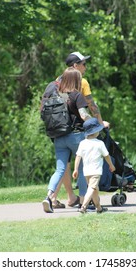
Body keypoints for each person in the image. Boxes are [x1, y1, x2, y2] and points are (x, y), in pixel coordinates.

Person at [51, 51, 110, 209]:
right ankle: (84, 198)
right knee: (84, 162)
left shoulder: (58, 82)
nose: (86, 67)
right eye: (84, 64)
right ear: (75, 66)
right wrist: (99, 123)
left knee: (63, 165)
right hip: (76, 130)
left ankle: (58, 197)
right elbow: (92, 105)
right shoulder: (81, 82)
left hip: (59, 129)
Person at [42, 68, 92, 213]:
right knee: (82, 169)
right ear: (76, 80)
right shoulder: (76, 95)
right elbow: (84, 115)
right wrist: (95, 122)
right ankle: (83, 202)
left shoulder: (55, 95)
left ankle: (49, 196)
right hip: (77, 137)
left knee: (60, 169)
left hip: (59, 137)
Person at [73, 117, 115, 214]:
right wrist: (111, 165)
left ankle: (99, 208)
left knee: (95, 189)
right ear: (96, 132)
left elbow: (78, 157)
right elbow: (107, 156)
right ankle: (83, 206)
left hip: (86, 171)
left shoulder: (82, 143)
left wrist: (75, 169)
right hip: (96, 171)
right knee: (92, 188)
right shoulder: (100, 143)